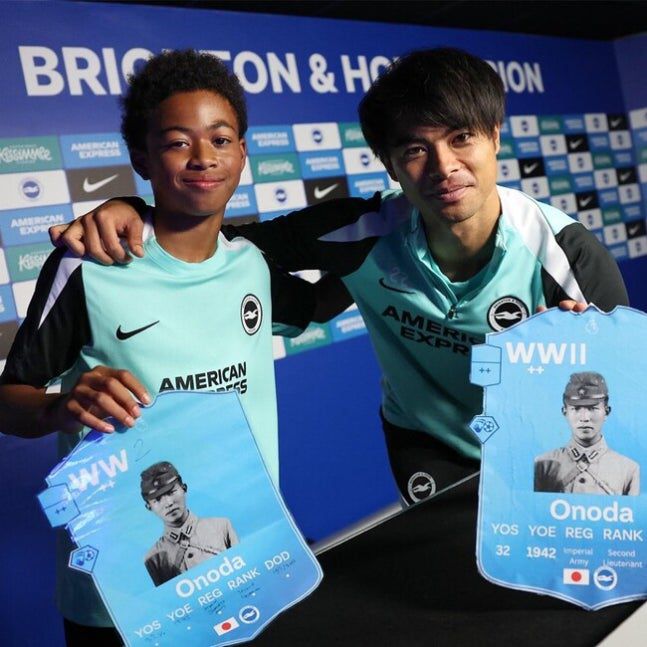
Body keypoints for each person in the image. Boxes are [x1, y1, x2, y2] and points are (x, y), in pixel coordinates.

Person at [52, 47, 630, 506]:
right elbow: (213, 240)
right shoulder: (362, 233)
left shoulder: (565, 255)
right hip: (427, 443)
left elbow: (624, 403)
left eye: (462, 139)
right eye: (415, 149)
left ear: (495, 137)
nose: (444, 167)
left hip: (540, 442)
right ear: (389, 164)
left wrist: (586, 364)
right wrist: (132, 210)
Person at [0, 50, 331, 646]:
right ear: (141, 158)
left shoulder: (251, 264)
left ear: (242, 153)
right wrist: (59, 407)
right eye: (178, 142)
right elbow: (8, 399)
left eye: (221, 139)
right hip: (124, 591)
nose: (203, 157)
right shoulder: (89, 263)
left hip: (239, 561)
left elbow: (323, 299)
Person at [534, 372, 639, 495]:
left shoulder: (628, 470)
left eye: (593, 408)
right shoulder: (542, 465)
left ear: (606, 412)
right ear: (565, 412)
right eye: (576, 408)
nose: (584, 418)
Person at [140, 461, 238, 586]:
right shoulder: (154, 558)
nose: (168, 503)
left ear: (184, 488)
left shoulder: (222, 527)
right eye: (157, 499)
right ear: (149, 507)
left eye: (171, 492)